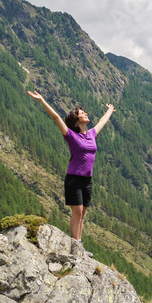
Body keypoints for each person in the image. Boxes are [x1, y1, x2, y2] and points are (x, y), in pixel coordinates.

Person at [27, 91, 115, 240]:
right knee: (77, 213)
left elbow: (102, 122)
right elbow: (56, 117)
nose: (86, 114)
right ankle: (76, 244)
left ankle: (78, 244)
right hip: (74, 178)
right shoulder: (70, 135)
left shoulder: (92, 134)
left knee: (83, 214)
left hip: (87, 180)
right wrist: (42, 100)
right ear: (76, 120)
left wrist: (109, 111)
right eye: (82, 113)